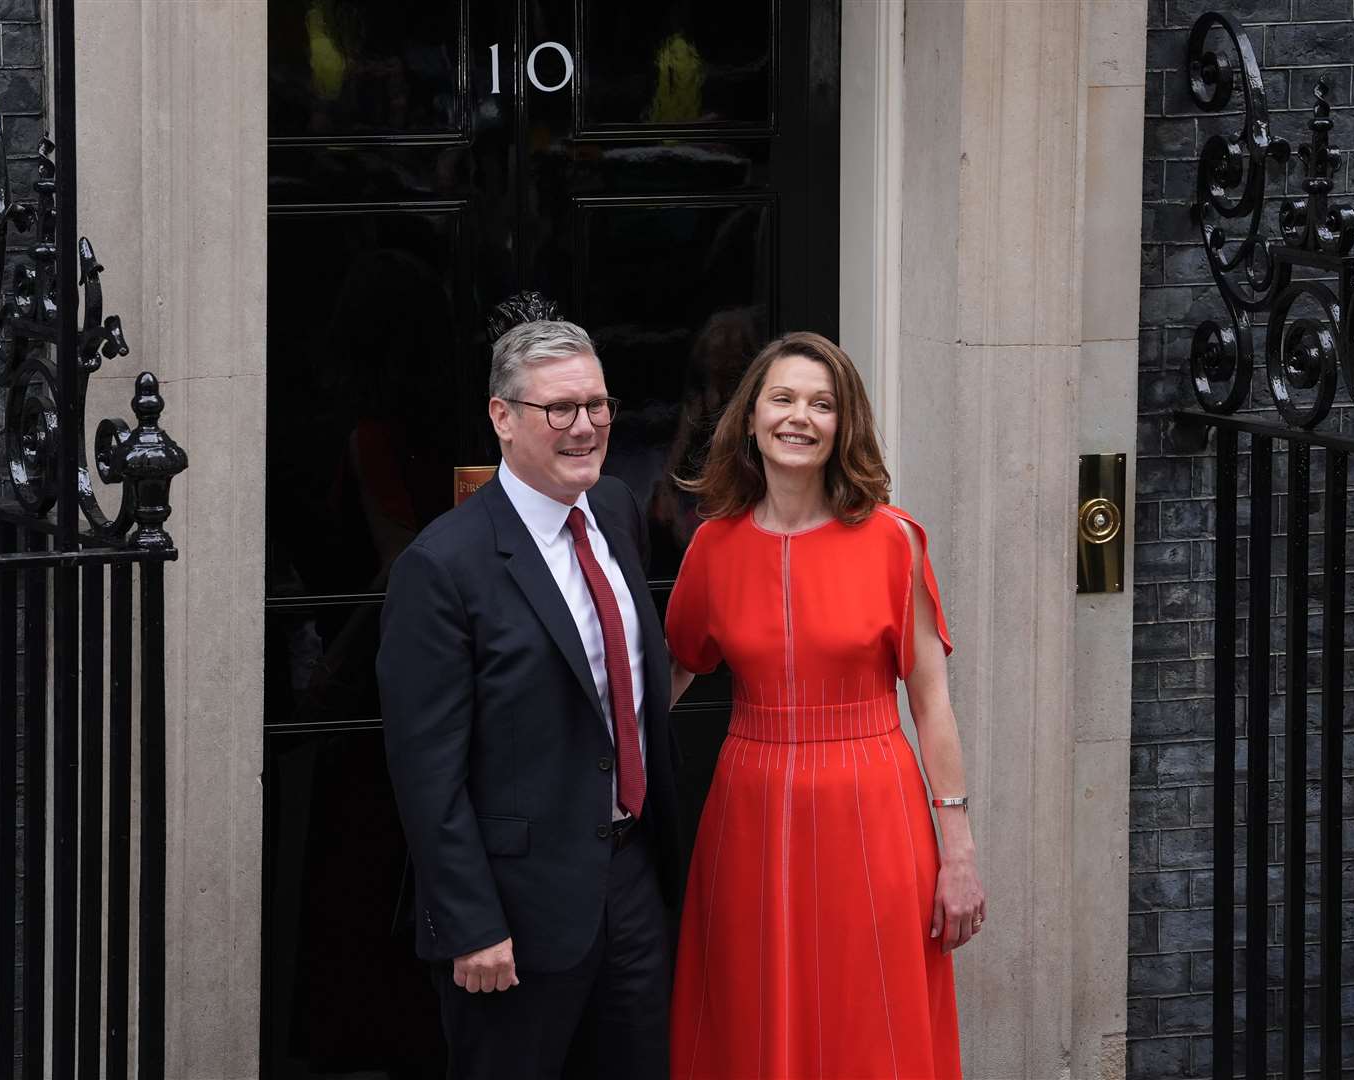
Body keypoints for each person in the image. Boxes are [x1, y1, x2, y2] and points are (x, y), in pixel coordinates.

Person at [665, 331, 985, 1079]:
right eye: (782, 398)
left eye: (822, 404)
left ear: (845, 426)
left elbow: (932, 703)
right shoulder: (712, 547)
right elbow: (670, 676)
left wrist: (958, 850)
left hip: (873, 806)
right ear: (750, 417)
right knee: (748, 1011)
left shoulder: (892, 541)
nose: (798, 417)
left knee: (868, 1018)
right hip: (748, 809)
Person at [377, 318, 684, 1080]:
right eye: (560, 410)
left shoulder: (614, 510)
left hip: (632, 886)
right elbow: (427, 773)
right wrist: (470, 925)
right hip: (513, 916)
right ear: (502, 417)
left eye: (597, 405)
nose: (585, 427)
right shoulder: (443, 567)